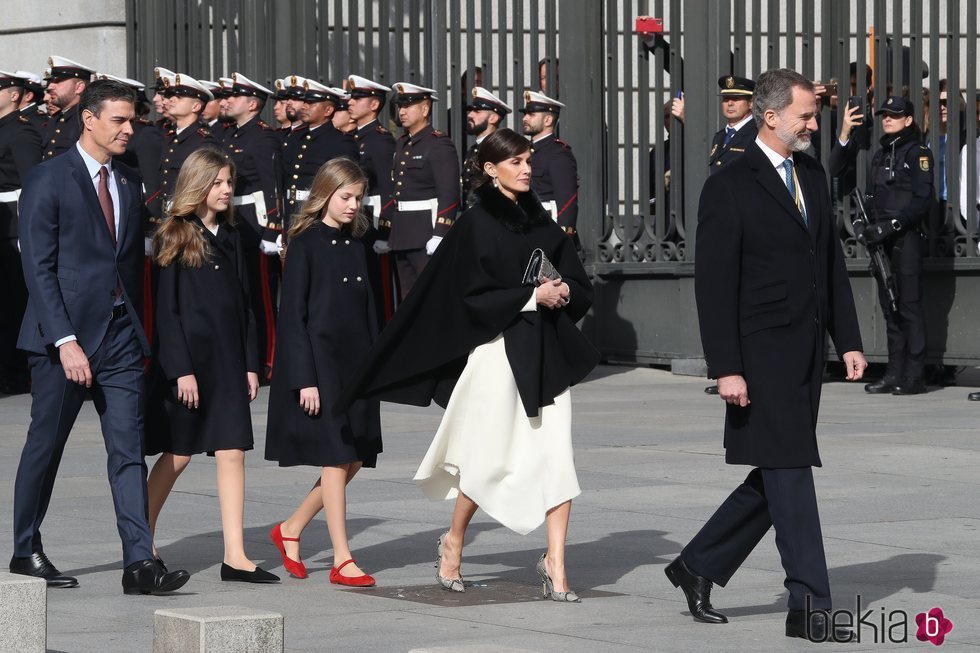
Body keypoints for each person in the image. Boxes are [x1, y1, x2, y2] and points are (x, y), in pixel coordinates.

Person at [343, 128, 600, 601]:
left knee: (557, 459)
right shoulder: (475, 224)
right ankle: (454, 542)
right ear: (490, 169)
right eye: (516, 161)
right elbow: (465, 300)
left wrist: (565, 291)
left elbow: (578, 281)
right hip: (497, 354)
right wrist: (529, 296)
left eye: (528, 160)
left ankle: (556, 565)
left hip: (546, 355)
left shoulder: (543, 222)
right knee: (484, 463)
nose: (527, 168)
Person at [665, 69, 866, 642]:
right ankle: (811, 606)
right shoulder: (729, 182)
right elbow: (714, 284)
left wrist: (848, 339)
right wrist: (726, 367)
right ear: (770, 116)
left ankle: (698, 564)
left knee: (779, 468)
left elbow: (826, 260)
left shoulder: (810, 169)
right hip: (759, 352)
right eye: (805, 114)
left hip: (805, 347)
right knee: (792, 471)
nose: (813, 123)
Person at [11, 78, 189, 594]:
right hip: (60, 340)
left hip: (119, 337)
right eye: (119, 120)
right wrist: (65, 341)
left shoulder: (129, 182)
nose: (129, 129)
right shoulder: (49, 178)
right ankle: (26, 549)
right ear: (88, 119)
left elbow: (131, 263)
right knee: (46, 446)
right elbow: (39, 270)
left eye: (132, 120)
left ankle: (139, 563)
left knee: (128, 451)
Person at [143, 147, 277, 584]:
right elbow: (167, 312)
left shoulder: (237, 235)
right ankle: (140, 538)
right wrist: (180, 369)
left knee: (232, 451)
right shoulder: (176, 232)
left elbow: (248, 305)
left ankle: (235, 555)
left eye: (229, 183)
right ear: (198, 185)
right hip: (189, 366)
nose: (226, 190)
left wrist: (251, 364)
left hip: (229, 362)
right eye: (218, 183)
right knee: (178, 454)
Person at [265, 158, 382, 587]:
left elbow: (371, 311)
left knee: (353, 459)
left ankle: (291, 528)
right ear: (325, 193)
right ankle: (342, 558)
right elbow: (292, 317)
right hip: (321, 365)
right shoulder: (305, 243)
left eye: (358, 198)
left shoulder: (359, 244)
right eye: (345, 196)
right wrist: (304, 378)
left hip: (358, 365)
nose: (353, 205)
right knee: (336, 459)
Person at [831, 95, 934, 395]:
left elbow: (922, 200)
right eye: (884, 115)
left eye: (894, 115)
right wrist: (864, 225)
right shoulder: (880, 154)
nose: (887, 119)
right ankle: (894, 372)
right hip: (881, 240)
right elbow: (849, 178)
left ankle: (915, 375)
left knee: (909, 306)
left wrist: (893, 225)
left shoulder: (918, 153)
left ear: (909, 120)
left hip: (905, 238)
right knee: (890, 307)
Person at [219, 73, 282, 380]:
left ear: (253, 103)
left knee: (263, 298)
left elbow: (273, 188)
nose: (226, 100)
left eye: (235, 96)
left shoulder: (263, 136)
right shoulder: (231, 135)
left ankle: (269, 360)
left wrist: (273, 230)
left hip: (257, 226)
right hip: (234, 221)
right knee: (243, 294)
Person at [375, 82, 459, 300]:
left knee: (431, 297)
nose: (401, 111)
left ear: (425, 109)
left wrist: (440, 233)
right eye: (400, 106)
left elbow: (449, 194)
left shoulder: (439, 144)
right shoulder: (403, 143)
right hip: (402, 232)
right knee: (407, 297)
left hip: (426, 233)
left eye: (408, 106)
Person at [0, 71, 42, 395]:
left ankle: (16, 371)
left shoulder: (21, 132)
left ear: (15, 95)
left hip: (13, 222)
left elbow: (31, 184)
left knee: (15, 297)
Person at [347, 74, 396, 322]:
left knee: (380, 290)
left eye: (358, 98)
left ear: (374, 104)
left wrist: (385, 231)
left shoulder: (380, 140)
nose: (350, 102)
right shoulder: (355, 137)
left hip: (374, 222)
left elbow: (389, 189)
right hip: (358, 218)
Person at [281, 80, 358, 226]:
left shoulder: (340, 142)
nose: (304, 106)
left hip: (319, 216)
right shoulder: (296, 138)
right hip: (291, 213)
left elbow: (346, 186)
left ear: (328, 110)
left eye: (311, 103)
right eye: (304, 102)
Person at [521, 91, 579, 239]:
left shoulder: (558, 153)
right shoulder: (525, 150)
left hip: (547, 229)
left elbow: (567, 202)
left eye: (531, 114)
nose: (525, 118)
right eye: (525, 113)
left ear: (547, 120)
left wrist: (563, 238)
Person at [158, 74, 216, 207]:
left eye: (179, 97)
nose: (171, 100)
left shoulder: (203, 142)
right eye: (171, 95)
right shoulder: (171, 137)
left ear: (195, 107)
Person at [460, 87, 511, 203]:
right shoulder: (474, 150)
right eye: (471, 110)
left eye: (477, 111)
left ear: (493, 118)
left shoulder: (500, 149)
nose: (470, 115)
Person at [41, 56, 93, 160]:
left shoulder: (88, 119)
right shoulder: (56, 118)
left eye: (58, 81)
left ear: (78, 87)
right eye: (51, 81)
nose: (50, 87)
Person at [709, 75, 757, 171]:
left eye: (735, 99)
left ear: (751, 103)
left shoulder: (758, 134)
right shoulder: (719, 136)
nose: (730, 103)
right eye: (726, 99)